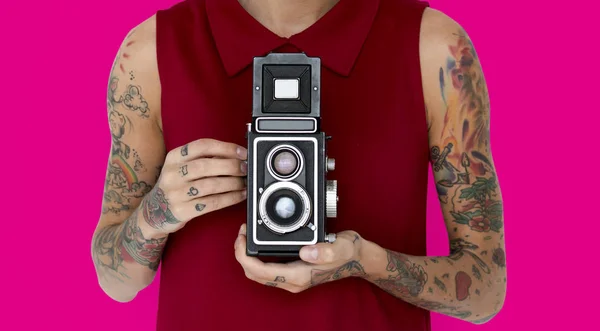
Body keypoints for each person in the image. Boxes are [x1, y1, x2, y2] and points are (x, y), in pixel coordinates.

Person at [91, 0, 507, 329]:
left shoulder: (433, 48)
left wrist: (369, 262)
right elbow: (116, 282)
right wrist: (156, 214)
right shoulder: (153, 52)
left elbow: (486, 288)